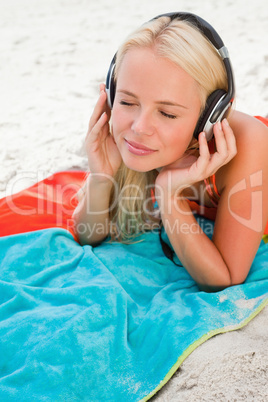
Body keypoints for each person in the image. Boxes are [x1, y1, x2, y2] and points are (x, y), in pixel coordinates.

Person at [72, 13, 268, 292]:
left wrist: (168, 194)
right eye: (127, 101)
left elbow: (224, 277)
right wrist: (101, 177)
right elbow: (88, 235)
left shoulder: (249, 144)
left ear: (210, 116)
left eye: (166, 113)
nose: (139, 128)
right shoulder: (133, 138)